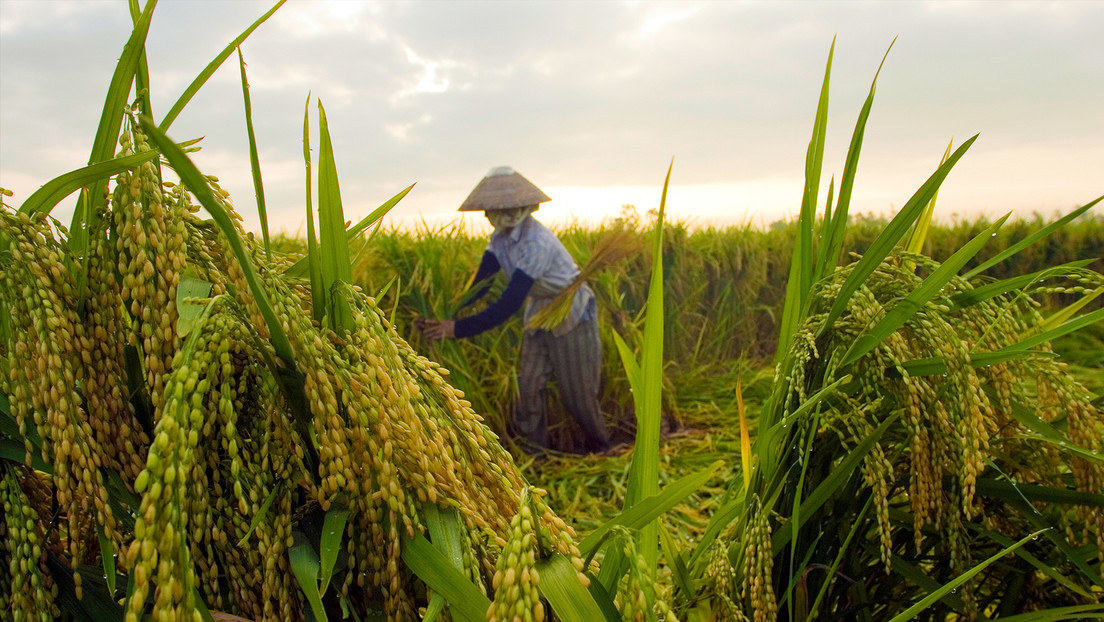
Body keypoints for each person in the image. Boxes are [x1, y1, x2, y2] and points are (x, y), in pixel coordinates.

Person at [418, 166, 611, 454]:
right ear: (488, 212)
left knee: (577, 394)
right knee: (528, 388)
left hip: (569, 310)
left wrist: (456, 329)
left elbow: (509, 303)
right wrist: (450, 309)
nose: (510, 214)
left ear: (528, 207)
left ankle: (602, 447)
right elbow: (482, 284)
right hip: (539, 309)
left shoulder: (536, 243)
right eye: (502, 209)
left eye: (516, 207)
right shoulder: (499, 239)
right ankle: (535, 454)